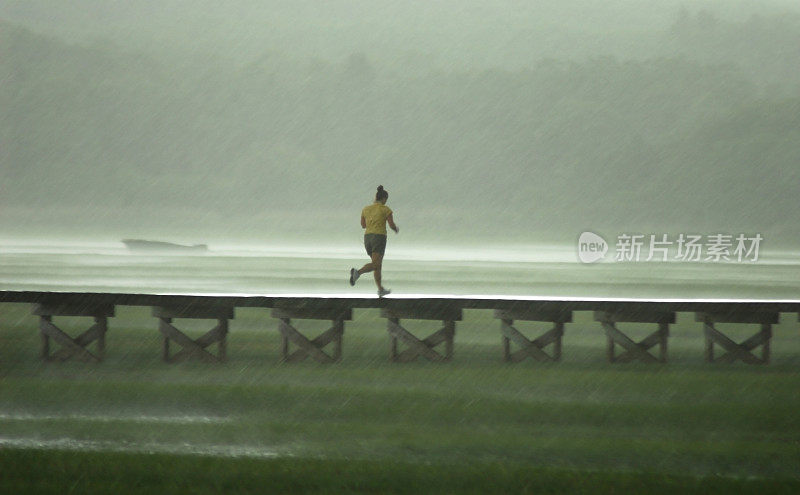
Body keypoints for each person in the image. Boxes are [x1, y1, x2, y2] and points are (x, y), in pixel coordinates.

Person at [350, 185, 398, 297]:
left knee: (377, 265)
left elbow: (363, 225)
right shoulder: (386, 210)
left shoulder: (366, 209)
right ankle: (358, 273)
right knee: (376, 264)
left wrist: (372, 222)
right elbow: (391, 225)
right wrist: (396, 229)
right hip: (379, 237)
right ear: (384, 198)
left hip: (367, 238)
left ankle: (380, 289)